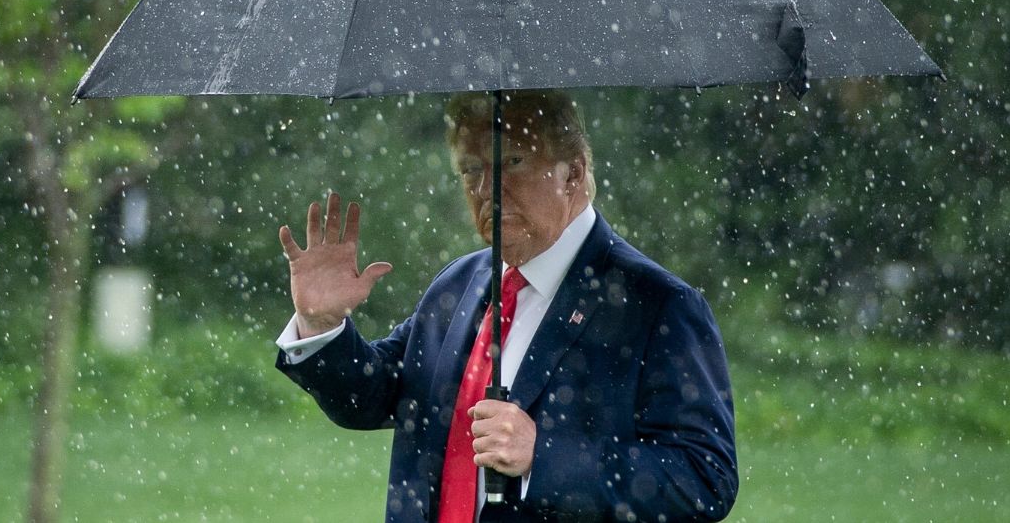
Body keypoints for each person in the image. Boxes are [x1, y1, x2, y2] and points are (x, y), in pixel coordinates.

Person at [275, 90, 737, 523]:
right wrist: (323, 323)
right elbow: (374, 397)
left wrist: (544, 454)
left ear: (573, 173)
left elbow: (704, 477)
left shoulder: (656, 304)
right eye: (471, 170)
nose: (487, 189)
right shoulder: (458, 284)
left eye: (513, 161)